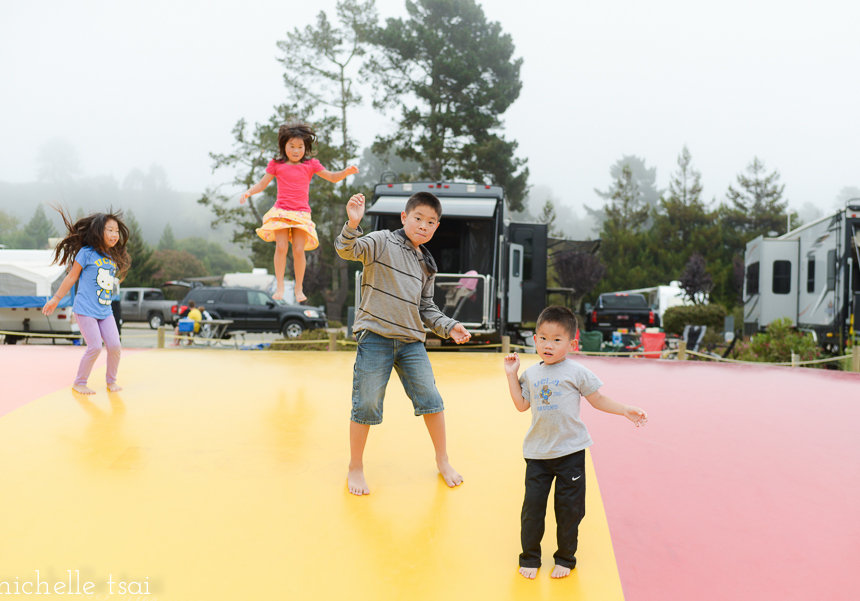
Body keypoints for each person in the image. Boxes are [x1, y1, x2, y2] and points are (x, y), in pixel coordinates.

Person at [335, 191, 472, 496]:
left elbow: (427, 307)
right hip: (376, 337)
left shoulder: (427, 263)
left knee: (431, 399)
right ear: (404, 218)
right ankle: (355, 466)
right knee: (366, 403)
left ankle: (443, 460)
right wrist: (353, 223)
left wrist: (450, 326)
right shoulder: (382, 240)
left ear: (436, 227)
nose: (423, 226)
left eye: (431, 222)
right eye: (418, 218)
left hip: (411, 342)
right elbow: (348, 249)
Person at [503, 306, 648, 580]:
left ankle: (565, 558)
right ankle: (530, 557)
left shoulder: (577, 371)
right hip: (537, 454)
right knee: (532, 509)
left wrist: (625, 409)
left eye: (557, 340)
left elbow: (598, 399)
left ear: (572, 344)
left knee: (569, 510)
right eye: (543, 338)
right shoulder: (531, 375)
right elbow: (521, 405)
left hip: (571, 452)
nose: (548, 345)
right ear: (534, 340)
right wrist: (512, 374)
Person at [240, 122, 358, 303]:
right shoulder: (276, 164)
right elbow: (262, 184)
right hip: (280, 211)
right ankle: (280, 285)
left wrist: (346, 172)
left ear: (306, 147)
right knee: (281, 247)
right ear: (284, 146)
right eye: (291, 146)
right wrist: (249, 192)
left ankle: (298, 287)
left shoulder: (310, 164)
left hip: (301, 213)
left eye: (300, 147)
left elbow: (333, 177)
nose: (296, 150)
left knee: (298, 249)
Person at [42, 208, 131, 395]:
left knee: (115, 346)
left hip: (105, 310)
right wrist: (56, 299)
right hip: (85, 309)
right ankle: (80, 382)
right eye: (110, 230)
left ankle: (111, 381)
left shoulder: (111, 257)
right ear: (99, 231)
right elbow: (71, 277)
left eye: (116, 231)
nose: (115, 234)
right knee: (95, 346)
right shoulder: (86, 253)